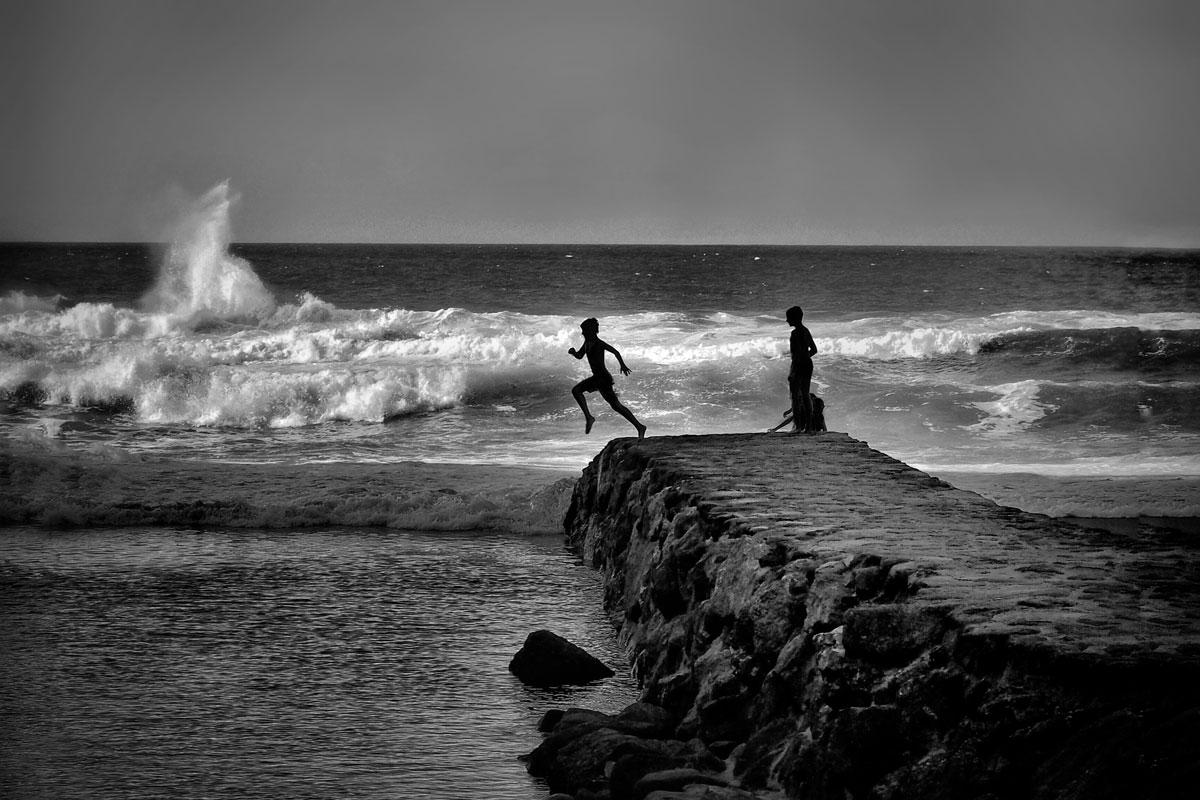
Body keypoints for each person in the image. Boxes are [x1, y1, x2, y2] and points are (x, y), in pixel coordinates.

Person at [568, 317, 646, 439]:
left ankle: (640, 426)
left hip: (603, 379)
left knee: (616, 406)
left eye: (584, 331)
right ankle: (589, 417)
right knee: (576, 391)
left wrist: (623, 365)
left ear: (591, 331)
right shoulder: (587, 343)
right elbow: (580, 355)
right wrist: (573, 353)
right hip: (596, 378)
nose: (582, 333)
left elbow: (615, 352)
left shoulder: (599, 343)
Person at [786, 305, 818, 433]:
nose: (787, 321)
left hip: (799, 366)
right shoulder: (806, 331)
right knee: (805, 394)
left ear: (794, 319)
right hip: (808, 364)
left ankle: (798, 427)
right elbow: (814, 350)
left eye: (788, 318)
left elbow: (795, 356)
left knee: (795, 396)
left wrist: (793, 371)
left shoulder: (794, 334)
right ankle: (808, 426)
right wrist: (805, 357)